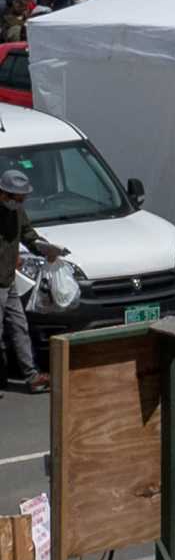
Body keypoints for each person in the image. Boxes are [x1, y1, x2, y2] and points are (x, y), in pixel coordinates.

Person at [0, 169, 62, 394]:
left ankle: (32, 376)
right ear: (5, 194)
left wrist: (45, 248)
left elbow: (28, 234)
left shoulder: (16, 212)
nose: (21, 203)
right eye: (18, 199)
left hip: (8, 280)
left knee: (19, 328)